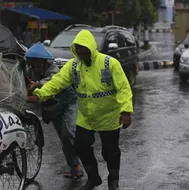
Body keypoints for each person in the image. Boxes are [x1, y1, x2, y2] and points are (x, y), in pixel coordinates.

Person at [28, 30, 133, 190]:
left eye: (84, 49)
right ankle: (93, 177)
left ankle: (113, 180)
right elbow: (58, 82)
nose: (82, 52)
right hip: (86, 117)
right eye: (78, 49)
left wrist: (125, 111)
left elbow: (123, 88)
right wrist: (40, 94)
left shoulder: (109, 63)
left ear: (91, 47)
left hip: (109, 117)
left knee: (110, 152)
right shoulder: (74, 65)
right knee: (80, 146)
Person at [26, 42, 83, 178]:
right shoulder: (30, 71)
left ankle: (77, 164)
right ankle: (73, 164)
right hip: (52, 109)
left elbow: (52, 81)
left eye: (38, 63)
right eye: (32, 63)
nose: (35, 67)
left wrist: (38, 84)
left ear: (45, 62)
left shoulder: (54, 70)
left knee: (68, 133)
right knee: (63, 138)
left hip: (69, 104)